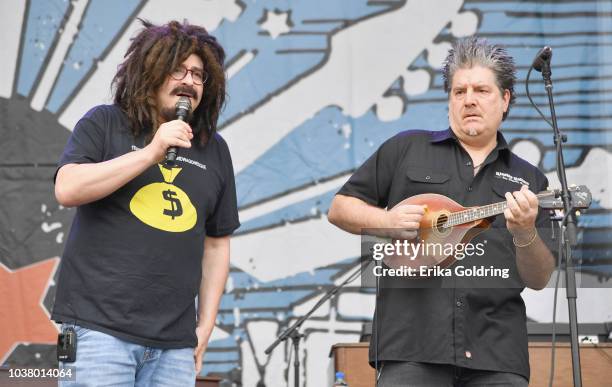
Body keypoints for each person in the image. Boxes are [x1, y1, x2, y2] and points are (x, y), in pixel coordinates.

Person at [328, 37, 555, 386]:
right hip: (411, 346)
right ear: (449, 101)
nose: (469, 100)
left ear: (505, 99)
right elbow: (340, 208)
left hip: (496, 353)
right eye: (459, 91)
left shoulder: (529, 179)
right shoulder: (406, 148)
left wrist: (525, 233)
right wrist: (385, 221)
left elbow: (539, 278)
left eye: (481, 90)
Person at [52, 20, 239, 386]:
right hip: (98, 333)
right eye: (177, 69)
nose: (188, 81)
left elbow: (216, 244)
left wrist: (205, 328)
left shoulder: (215, 150)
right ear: (149, 73)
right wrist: (152, 152)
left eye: (198, 75)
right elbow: (67, 188)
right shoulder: (105, 123)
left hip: (173, 347)